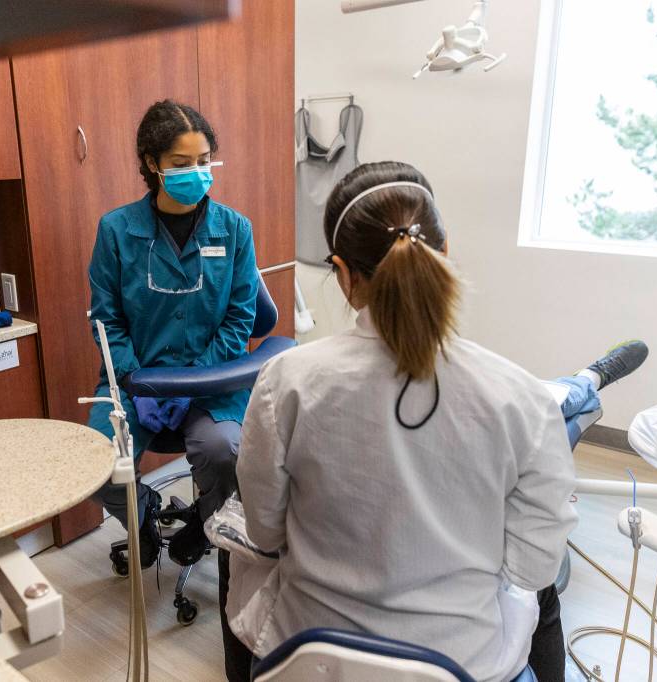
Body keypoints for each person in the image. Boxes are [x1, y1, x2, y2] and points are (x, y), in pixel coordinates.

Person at [223, 161, 580, 682]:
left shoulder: (289, 381)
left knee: (231, 552)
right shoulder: (522, 398)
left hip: (311, 657)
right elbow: (533, 566)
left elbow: (265, 529)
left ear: (343, 274)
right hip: (466, 664)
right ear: (446, 253)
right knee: (540, 599)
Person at [87, 100, 259, 568]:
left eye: (204, 162)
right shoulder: (117, 231)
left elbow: (239, 320)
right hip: (134, 383)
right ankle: (140, 510)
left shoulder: (234, 229)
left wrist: (190, 385)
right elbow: (107, 321)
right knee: (98, 463)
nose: (197, 173)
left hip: (213, 383)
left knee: (223, 451)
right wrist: (138, 381)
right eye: (182, 164)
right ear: (152, 164)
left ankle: (206, 521)